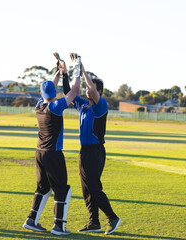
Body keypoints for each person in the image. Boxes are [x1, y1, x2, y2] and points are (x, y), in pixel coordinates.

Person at [63, 54, 121, 235]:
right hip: (84, 151)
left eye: (92, 88)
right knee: (86, 189)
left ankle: (113, 217)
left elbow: (92, 90)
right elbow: (68, 92)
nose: (88, 90)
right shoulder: (82, 105)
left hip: (95, 151)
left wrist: (82, 69)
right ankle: (94, 223)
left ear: (99, 92)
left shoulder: (101, 106)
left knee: (95, 188)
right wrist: (65, 73)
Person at [22, 54, 80, 235]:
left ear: (41, 94)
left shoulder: (39, 105)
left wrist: (59, 71)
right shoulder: (55, 107)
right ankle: (59, 226)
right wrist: (75, 69)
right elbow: (74, 91)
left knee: (43, 188)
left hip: (39, 152)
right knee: (63, 189)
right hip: (53, 153)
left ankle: (31, 220)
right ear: (54, 94)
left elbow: (50, 87)